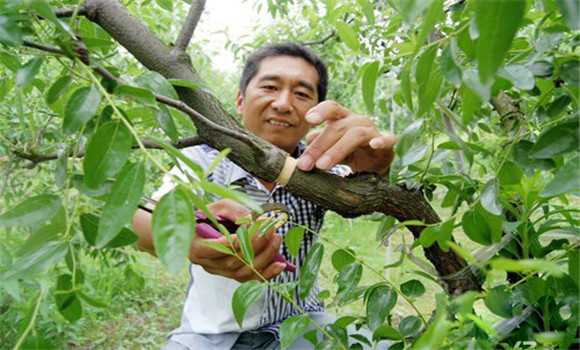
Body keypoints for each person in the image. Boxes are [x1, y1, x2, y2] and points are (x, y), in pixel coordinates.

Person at [133, 42, 397, 349]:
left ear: (317, 113)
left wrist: (377, 173)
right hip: (210, 336)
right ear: (241, 101)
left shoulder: (323, 170)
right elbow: (145, 222)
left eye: (301, 94)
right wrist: (186, 238)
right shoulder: (202, 159)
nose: (283, 104)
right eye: (270, 86)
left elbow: (368, 204)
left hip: (302, 324)